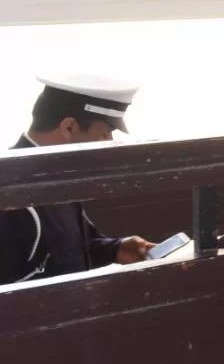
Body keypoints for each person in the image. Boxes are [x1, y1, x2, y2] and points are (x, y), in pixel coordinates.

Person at [0, 75, 153, 284]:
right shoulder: (11, 193)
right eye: (105, 133)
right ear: (69, 127)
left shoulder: (55, 173)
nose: (109, 142)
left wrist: (116, 249)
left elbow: (66, 248)